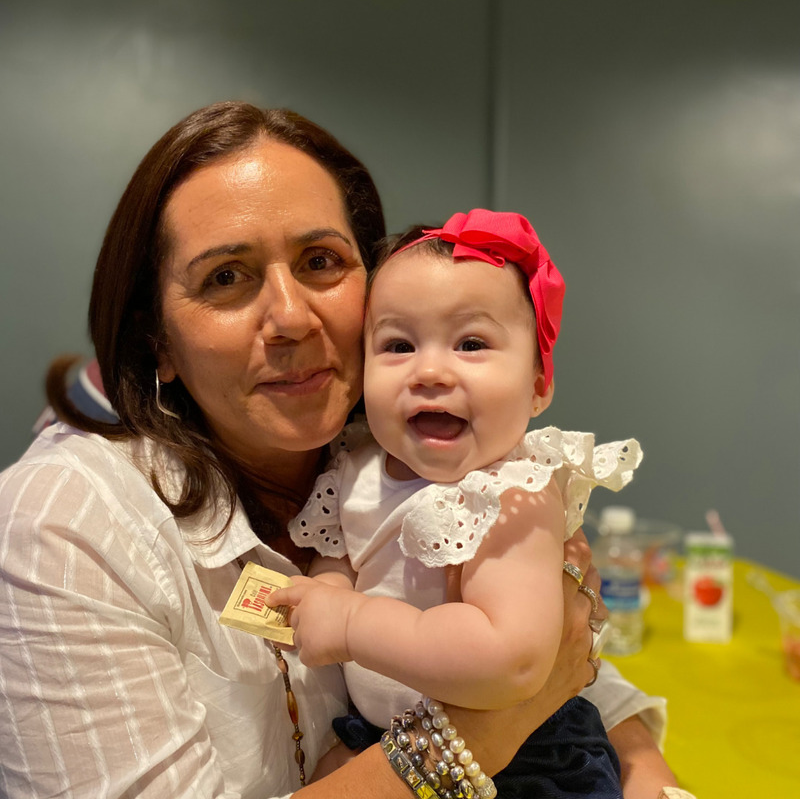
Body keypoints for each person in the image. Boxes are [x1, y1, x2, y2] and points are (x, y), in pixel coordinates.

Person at [0, 101, 682, 799]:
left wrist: (638, 759)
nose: (292, 317)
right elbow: (521, 680)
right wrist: (481, 734)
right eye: (226, 277)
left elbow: (560, 649)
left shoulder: (392, 452)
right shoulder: (67, 524)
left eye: (321, 261)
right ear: (158, 344)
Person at [268, 209, 641, 798]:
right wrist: (326, 592)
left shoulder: (511, 493)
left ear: (538, 385)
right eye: (398, 345)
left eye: (471, 343)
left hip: (526, 757)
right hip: (382, 735)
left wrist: (351, 623)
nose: (430, 371)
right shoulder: (354, 468)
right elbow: (342, 558)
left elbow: (508, 659)